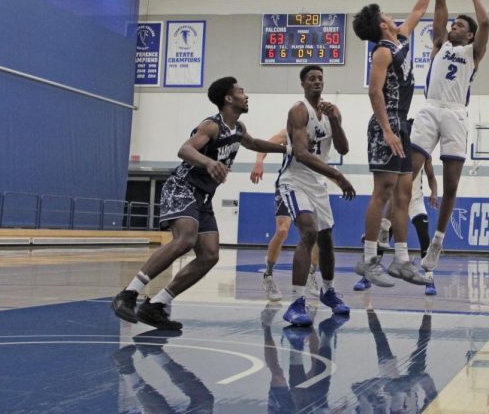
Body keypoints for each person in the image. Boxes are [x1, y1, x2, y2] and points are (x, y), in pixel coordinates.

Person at [111, 77, 285, 330]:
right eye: (241, 91)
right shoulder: (211, 126)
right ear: (228, 98)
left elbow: (255, 143)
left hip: (204, 196)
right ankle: (128, 294)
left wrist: (288, 150)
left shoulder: (238, 128)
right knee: (186, 239)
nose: (246, 95)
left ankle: (156, 305)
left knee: (210, 255)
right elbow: (184, 150)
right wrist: (208, 162)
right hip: (183, 187)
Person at [351, 0, 447, 287]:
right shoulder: (381, 51)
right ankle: (368, 259)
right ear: (381, 23)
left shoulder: (400, 39)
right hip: (387, 123)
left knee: (404, 194)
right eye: (385, 14)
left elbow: (418, 10)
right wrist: (388, 129)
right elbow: (374, 92)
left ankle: (402, 260)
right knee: (383, 191)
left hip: (402, 123)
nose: (393, 16)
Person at [411, 0, 489, 277]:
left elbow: (485, 22)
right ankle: (388, 229)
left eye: (460, 25)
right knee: (408, 170)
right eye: (452, 25)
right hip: (429, 109)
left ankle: (437, 243)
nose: (453, 27)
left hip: (456, 114)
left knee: (452, 185)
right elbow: (440, 7)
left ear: (468, 35)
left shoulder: (473, 52)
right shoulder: (440, 45)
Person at [277, 65, 356, 327]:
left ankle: (329, 291)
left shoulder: (331, 111)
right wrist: (338, 176)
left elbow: (343, 147)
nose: (317, 82)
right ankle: (296, 302)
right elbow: (300, 153)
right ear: (302, 84)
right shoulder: (299, 110)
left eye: (320, 78)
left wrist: (334, 119)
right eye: (311, 78)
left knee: (327, 239)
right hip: (295, 180)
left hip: (318, 183)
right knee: (308, 231)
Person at [354, 151, 439, 294]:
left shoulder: (424, 152)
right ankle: (367, 277)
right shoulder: (397, 150)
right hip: (397, 203)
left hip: (415, 201)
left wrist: (434, 193)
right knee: (383, 238)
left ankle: (430, 279)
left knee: (424, 235)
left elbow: (431, 176)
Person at [251, 130, 321, 302]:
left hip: (311, 187)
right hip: (288, 184)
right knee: (282, 231)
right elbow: (264, 145)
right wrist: (259, 161)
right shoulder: (290, 131)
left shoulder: (323, 132)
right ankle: (268, 274)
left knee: (316, 233)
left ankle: (311, 273)